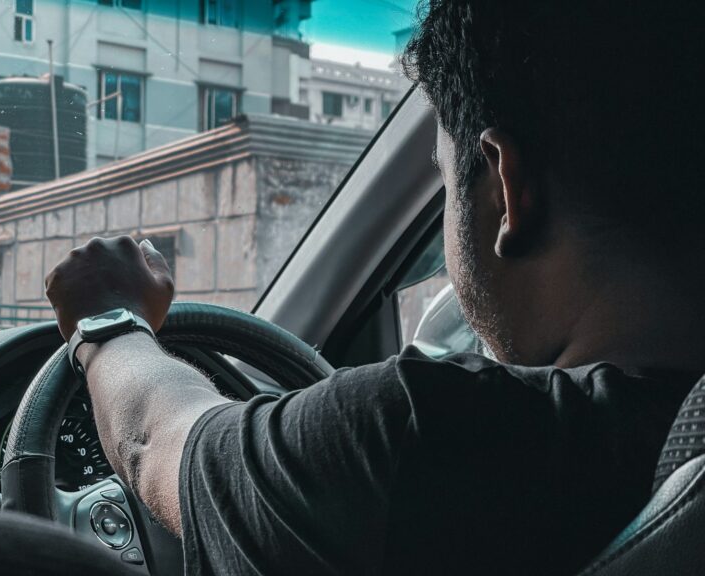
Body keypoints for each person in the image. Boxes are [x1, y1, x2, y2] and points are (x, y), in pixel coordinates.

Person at [44, 1, 705, 574]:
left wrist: (106, 318)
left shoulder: (426, 439)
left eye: (448, 182)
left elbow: (156, 444)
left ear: (509, 193)